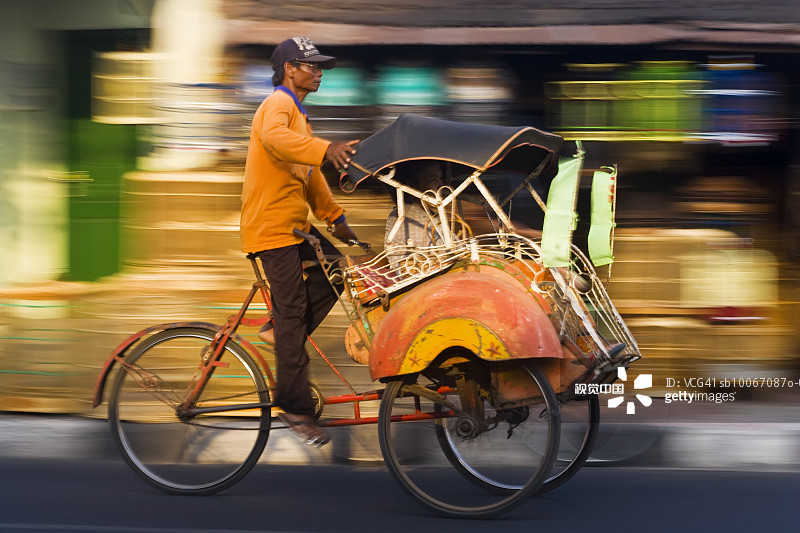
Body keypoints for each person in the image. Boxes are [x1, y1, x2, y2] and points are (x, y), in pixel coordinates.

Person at [240, 36, 360, 447]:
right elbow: (276, 139)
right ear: (289, 68)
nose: (319, 71)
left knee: (338, 273)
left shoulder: (299, 115)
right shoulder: (278, 105)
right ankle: (294, 408)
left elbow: (308, 177)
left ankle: (280, 331)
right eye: (311, 65)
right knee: (293, 316)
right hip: (272, 230)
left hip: (294, 229)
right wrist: (328, 149)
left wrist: (336, 219)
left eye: (320, 66)